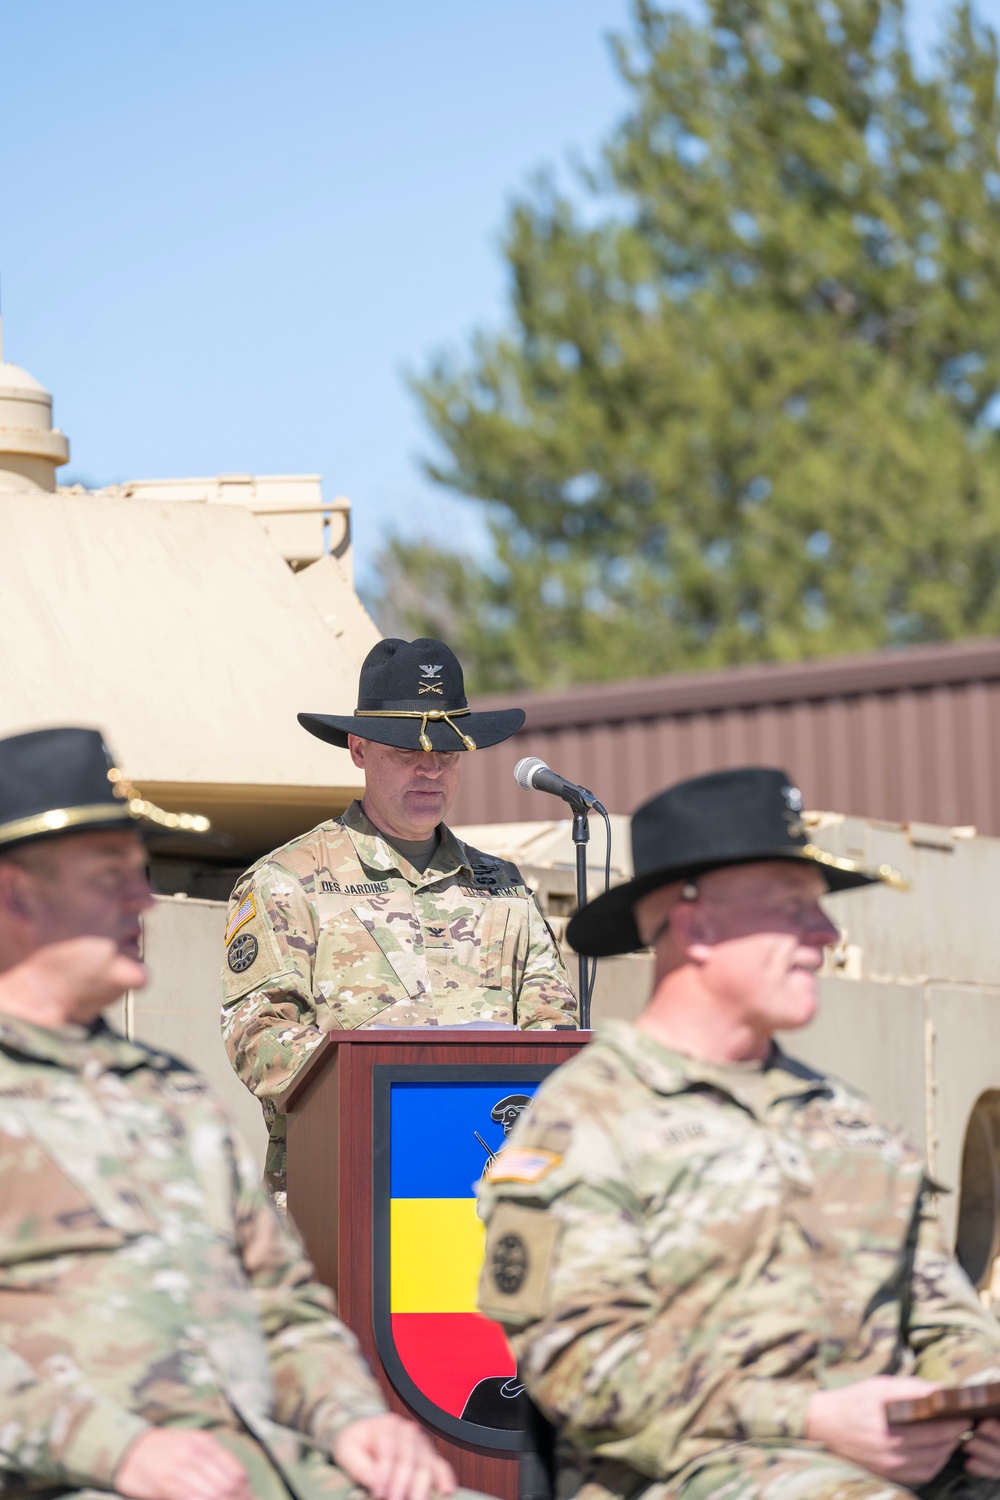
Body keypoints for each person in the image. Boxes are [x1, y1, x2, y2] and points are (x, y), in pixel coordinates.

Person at [477, 766, 1000, 1500]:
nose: (827, 934)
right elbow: (581, 1366)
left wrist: (975, 1399)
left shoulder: (848, 1119)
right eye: (794, 909)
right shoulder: (586, 1124)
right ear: (697, 927)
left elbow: (942, 1312)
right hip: (688, 1471)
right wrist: (813, 1420)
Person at [0, 726, 462, 1500]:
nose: (141, 899)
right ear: (16, 893)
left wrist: (356, 1419)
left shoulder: (167, 1095)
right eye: (110, 875)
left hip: (274, 1470)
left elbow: (280, 1301)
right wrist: (117, 1451)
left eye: (139, 873)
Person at [221, 638, 578, 1199]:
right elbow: (255, 1038)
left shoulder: (505, 886)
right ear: (359, 749)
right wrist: (378, 1066)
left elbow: (552, 1031)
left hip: (485, 1193)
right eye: (407, 754)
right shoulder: (288, 880)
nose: (430, 772)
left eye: (447, 755)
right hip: (344, 1188)